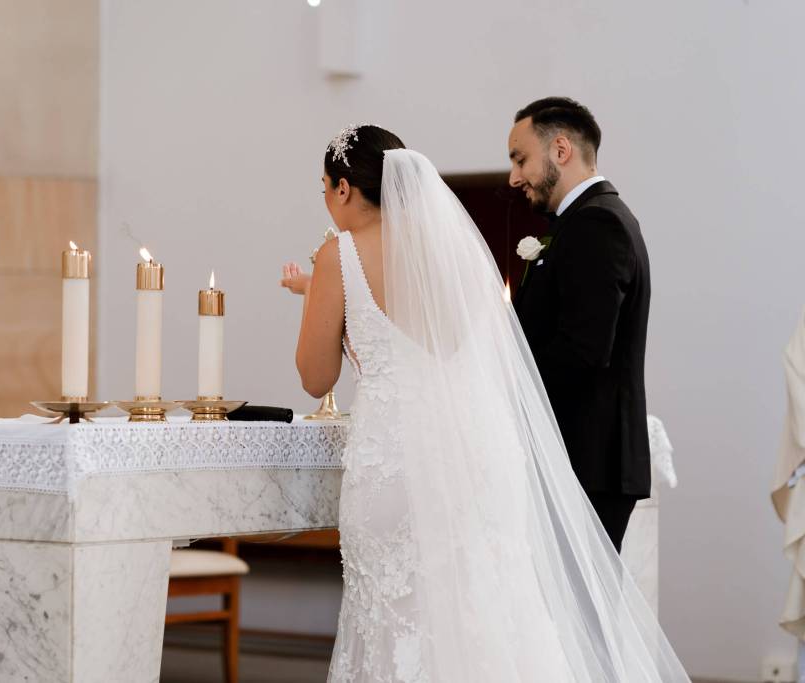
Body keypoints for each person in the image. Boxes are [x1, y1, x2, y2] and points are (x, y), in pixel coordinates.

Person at [280, 124, 688, 681]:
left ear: (345, 190)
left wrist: (318, 304)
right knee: (489, 608)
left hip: (395, 463)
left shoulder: (339, 254)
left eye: (324, 187)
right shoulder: (452, 255)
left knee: (395, 616)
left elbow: (314, 375)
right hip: (479, 457)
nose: (326, 201)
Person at [509, 97, 651, 551]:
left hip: (586, 461)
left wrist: (502, 377)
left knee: (576, 620)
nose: (514, 177)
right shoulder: (586, 220)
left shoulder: (597, 224)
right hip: (582, 458)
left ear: (561, 150)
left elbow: (584, 351)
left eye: (520, 159)